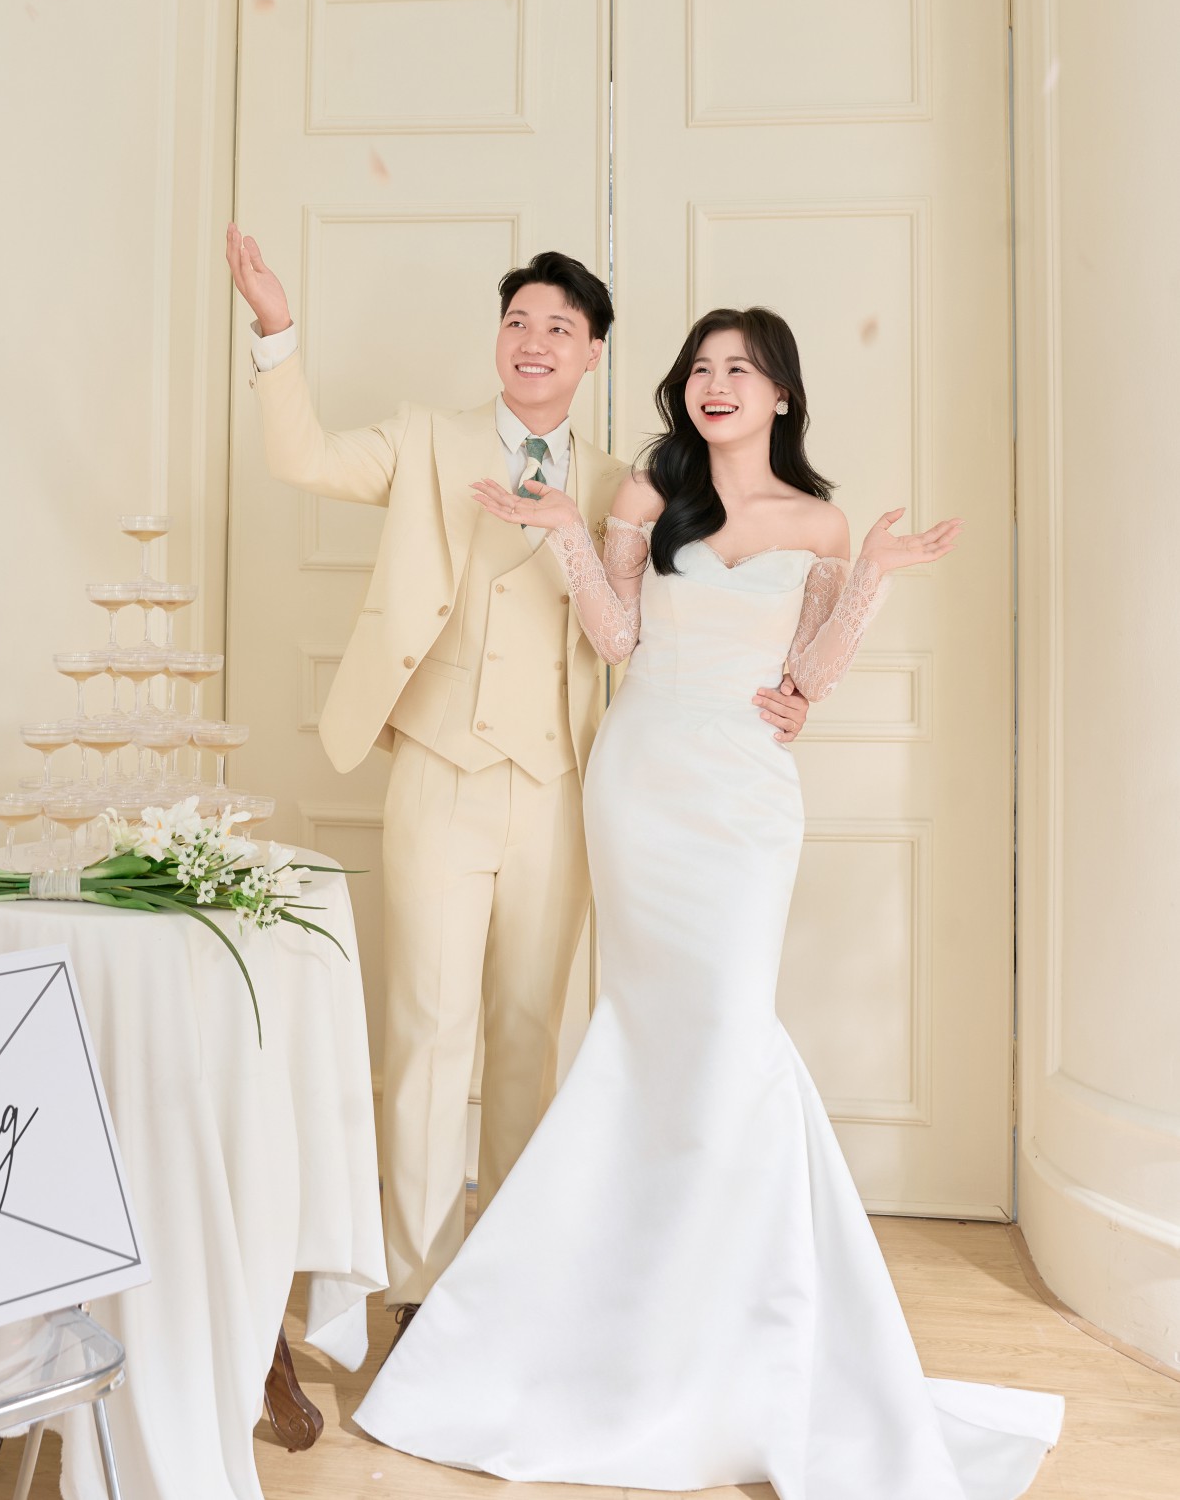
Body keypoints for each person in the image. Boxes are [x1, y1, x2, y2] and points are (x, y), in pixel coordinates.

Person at [353, 305, 1065, 1498]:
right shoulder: (650, 493)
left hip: (743, 803)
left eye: (740, 367)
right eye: (699, 367)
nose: (714, 382)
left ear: (781, 392)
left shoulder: (820, 522)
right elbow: (617, 635)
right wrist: (564, 534)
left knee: (728, 1035)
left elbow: (806, 680)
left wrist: (871, 577)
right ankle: (618, 1315)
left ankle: (739, 1316)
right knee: (646, 1038)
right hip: (640, 785)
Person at [224, 230, 812, 1343]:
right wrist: (275, 328)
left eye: (559, 327)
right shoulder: (424, 439)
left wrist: (792, 690)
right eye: (517, 322)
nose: (533, 341)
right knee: (425, 1029)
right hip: (438, 772)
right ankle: (413, 1288)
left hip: (566, 786)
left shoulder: (630, 485)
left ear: (593, 354)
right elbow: (300, 457)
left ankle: (504, 1280)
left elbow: (706, 612)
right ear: (498, 340)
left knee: (529, 1034)